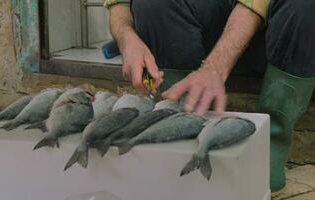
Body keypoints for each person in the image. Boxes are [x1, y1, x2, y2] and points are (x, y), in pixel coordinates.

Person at [104, 0, 315, 197]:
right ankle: (183, 134)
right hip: (204, 28)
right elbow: (118, 4)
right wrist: (127, 39)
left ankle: (268, 149)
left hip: (270, 36)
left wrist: (215, 67)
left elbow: (253, 4)